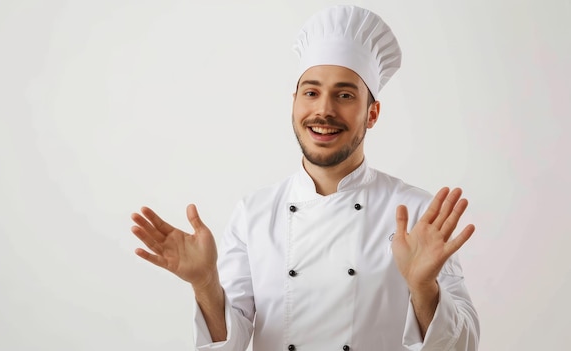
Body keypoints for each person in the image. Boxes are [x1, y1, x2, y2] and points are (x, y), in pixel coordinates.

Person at [130, 4, 480, 351]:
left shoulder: (417, 213)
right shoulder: (254, 213)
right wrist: (206, 284)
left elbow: (464, 346)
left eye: (344, 95)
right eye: (311, 92)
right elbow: (231, 345)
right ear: (294, 102)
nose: (324, 110)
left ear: (372, 113)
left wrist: (424, 289)